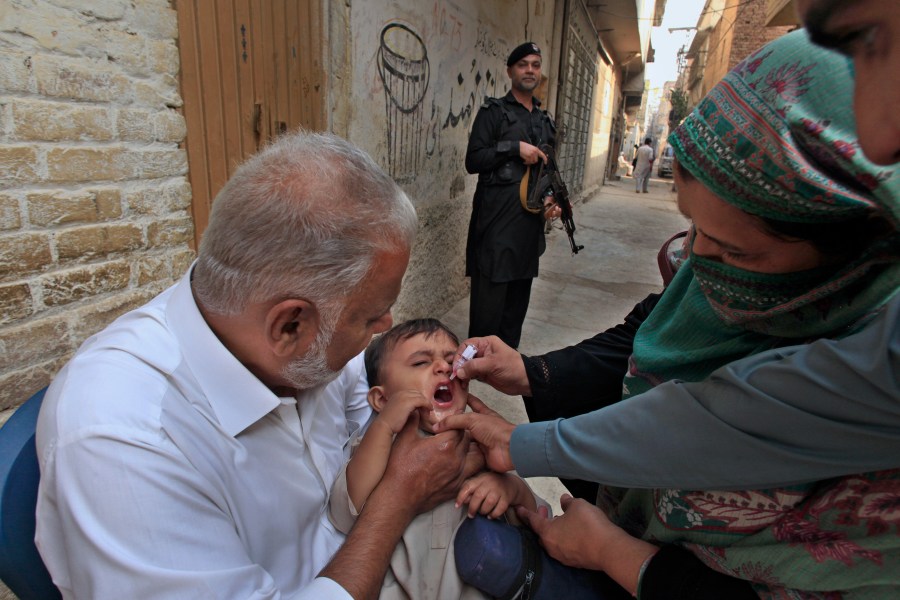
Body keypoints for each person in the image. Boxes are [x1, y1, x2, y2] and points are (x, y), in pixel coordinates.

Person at [440, 29, 900, 597]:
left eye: (735, 250)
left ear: (859, 247)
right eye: (693, 229)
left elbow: (720, 423)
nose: (697, 263)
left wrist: (616, 553)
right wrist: (531, 374)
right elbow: (642, 335)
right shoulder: (710, 275)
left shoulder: (875, 374)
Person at [34, 131, 479, 599]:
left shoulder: (295, 342)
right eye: (370, 317)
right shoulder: (125, 443)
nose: (385, 324)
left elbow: (362, 401)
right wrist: (397, 500)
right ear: (289, 326)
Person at [328, 318, 548, 600]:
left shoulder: (481, 446)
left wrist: (512, 490)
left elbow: (538, 520)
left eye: (451, 360)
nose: (444, 367)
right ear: (382, 400)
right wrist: (383, 427)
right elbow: (344, 513)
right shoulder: (378, 449)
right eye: (420, 363)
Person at [464, 41, 560, 349]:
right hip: (496, 226)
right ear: (510, 71)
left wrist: (549, 200)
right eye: (523, 65)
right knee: (487, 308)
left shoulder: (545, 122)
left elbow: (548, 172)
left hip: (528, 230)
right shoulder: (494, 113)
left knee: (516, 308)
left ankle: (504, 362)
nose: (530, 70)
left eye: (535, 64)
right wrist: (514, 149)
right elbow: (473, 160)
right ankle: (475, 366)